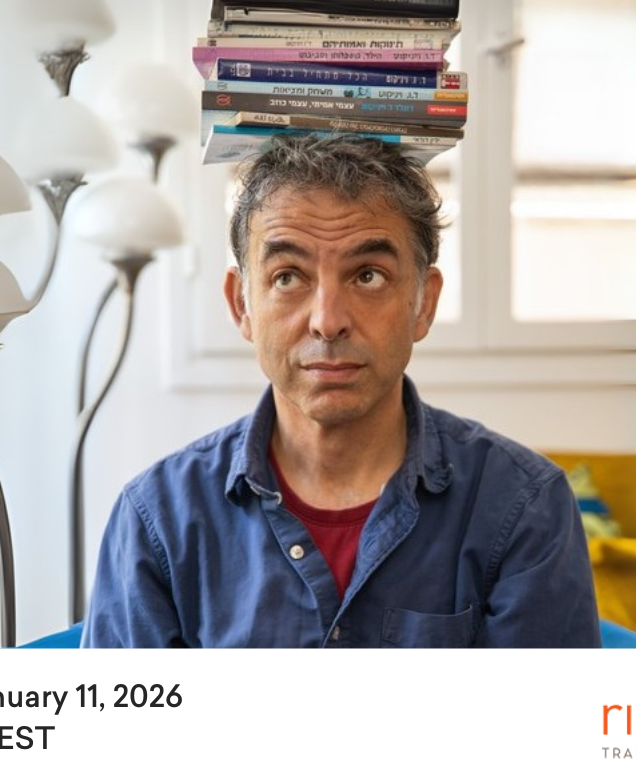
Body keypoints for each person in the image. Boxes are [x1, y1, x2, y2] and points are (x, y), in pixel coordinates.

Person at [82, 134, 600, 647]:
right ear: (241, 305)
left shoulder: (525, 506)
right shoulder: (157, 519)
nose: (327, 322)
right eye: (288, 277)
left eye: (368, 275)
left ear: (423, 303)